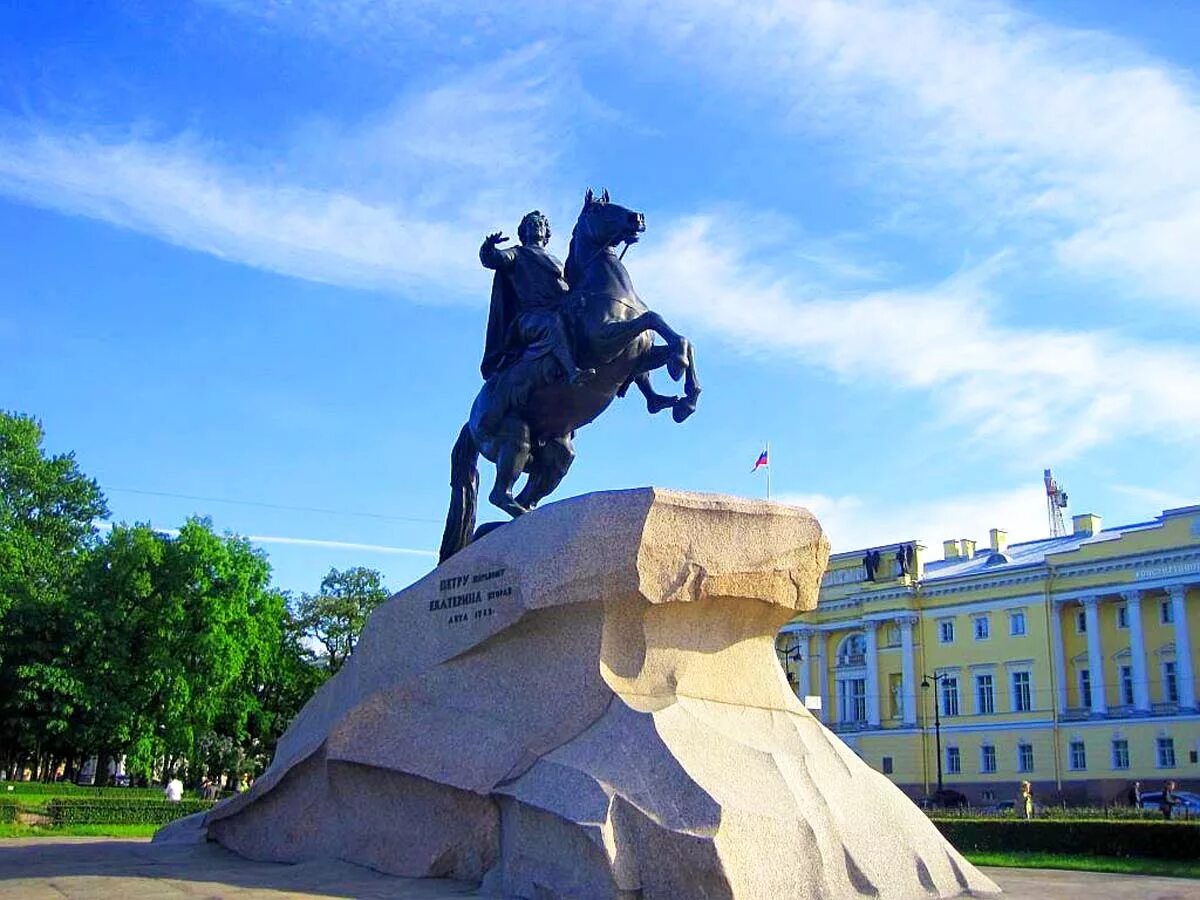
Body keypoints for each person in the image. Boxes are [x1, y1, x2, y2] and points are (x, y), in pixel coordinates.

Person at [479, 211, 595, 387]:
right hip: (530, 317)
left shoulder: (556, 260)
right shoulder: (517, 254)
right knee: (552, 323)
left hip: (560, 308)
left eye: (540, 224)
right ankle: (572, 372)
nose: (536, 226)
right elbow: (493, 259)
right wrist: (489, 247)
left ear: (546, 231)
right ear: (524, 231)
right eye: (531, 224)